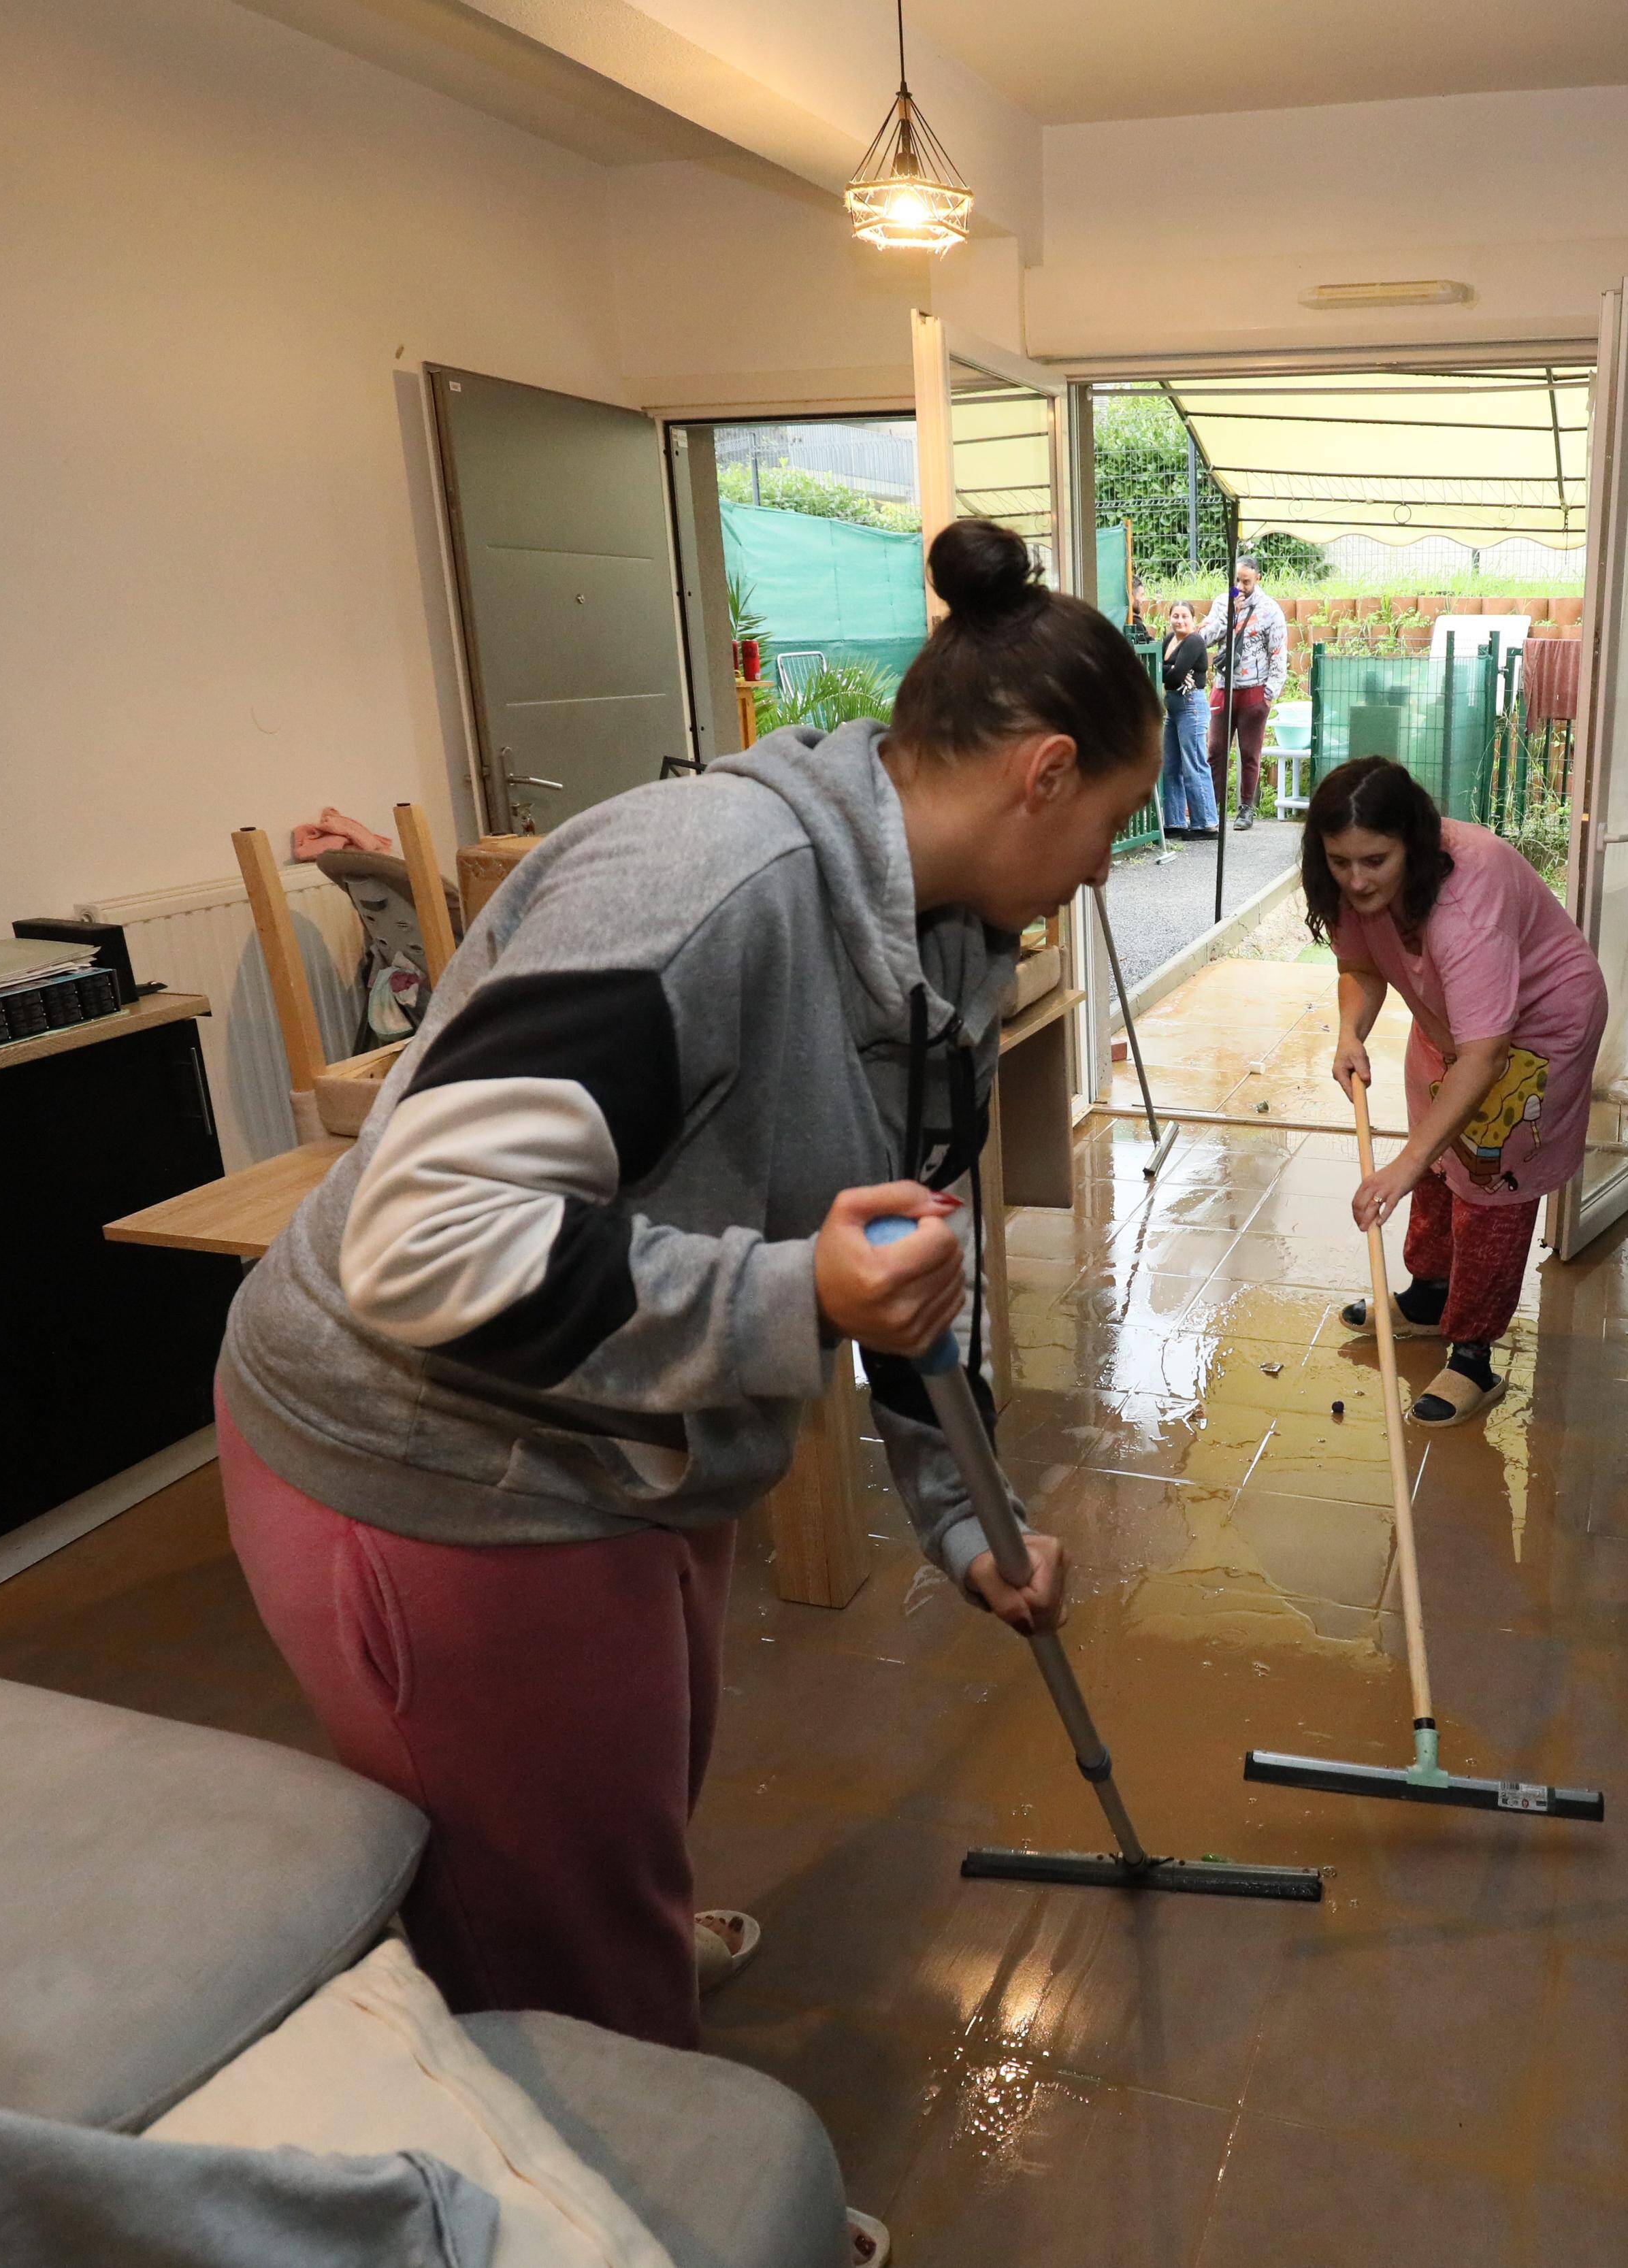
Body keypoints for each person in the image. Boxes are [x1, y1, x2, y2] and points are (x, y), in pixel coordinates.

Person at [214, 517, 1160, 2059]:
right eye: (1109, 820)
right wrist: (797, 1298)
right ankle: (639, 2150)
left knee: (621, 1812)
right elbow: (427, 1236)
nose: (1107, 864)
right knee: (537, 1921)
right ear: (1041, 771)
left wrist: (962, 1512)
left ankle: (616, 1935)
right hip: (433, 1465)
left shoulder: (949, 944)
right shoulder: (703, 881)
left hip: (623, 1422)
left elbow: (894, 1249)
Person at [1307, 756, 1607, 1427]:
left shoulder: (1468, 901)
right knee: (1439, 1151)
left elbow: (1485, 1056)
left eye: (1375, 861)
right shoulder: (1355, 884)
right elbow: (1359, 965)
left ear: (1412, 843)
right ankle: (1429, 1294)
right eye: (1339, 861)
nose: (1356, 880)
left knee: (1487, 1174)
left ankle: (1472, 1352)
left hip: (1534, 1026)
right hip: (1452, 1019)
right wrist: (1349, 1034)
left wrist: (1402, 1168)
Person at [1197, 555, 1288, 830]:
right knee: (1215, 750)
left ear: (1258, 578)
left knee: (1249, 752)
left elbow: (1278, 653)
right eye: (1237, 580)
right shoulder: (1222, 603)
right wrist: (1229, 616)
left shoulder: (1270, 610)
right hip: (1224, 688)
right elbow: (1203, 639)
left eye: (1246, 581)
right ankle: (1211, 809)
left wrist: (1270, 693)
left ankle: (1246, 808)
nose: (1241, 586)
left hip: (1255, 690)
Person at [1158, 599, 1218, 839]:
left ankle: (1206, 824)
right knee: (1171, 765)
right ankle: (1175, 821)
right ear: (1169, 617)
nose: (1180, 621)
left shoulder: (1194, 641)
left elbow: (1174, 678)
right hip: (1172, 708)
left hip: (1191, 706)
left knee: (1193, 763)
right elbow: (1158, 670)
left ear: (1193, 619)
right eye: (1176, 616)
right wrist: (1169, 668)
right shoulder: (1169, 639)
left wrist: (1169, 669)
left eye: (1185, 617)